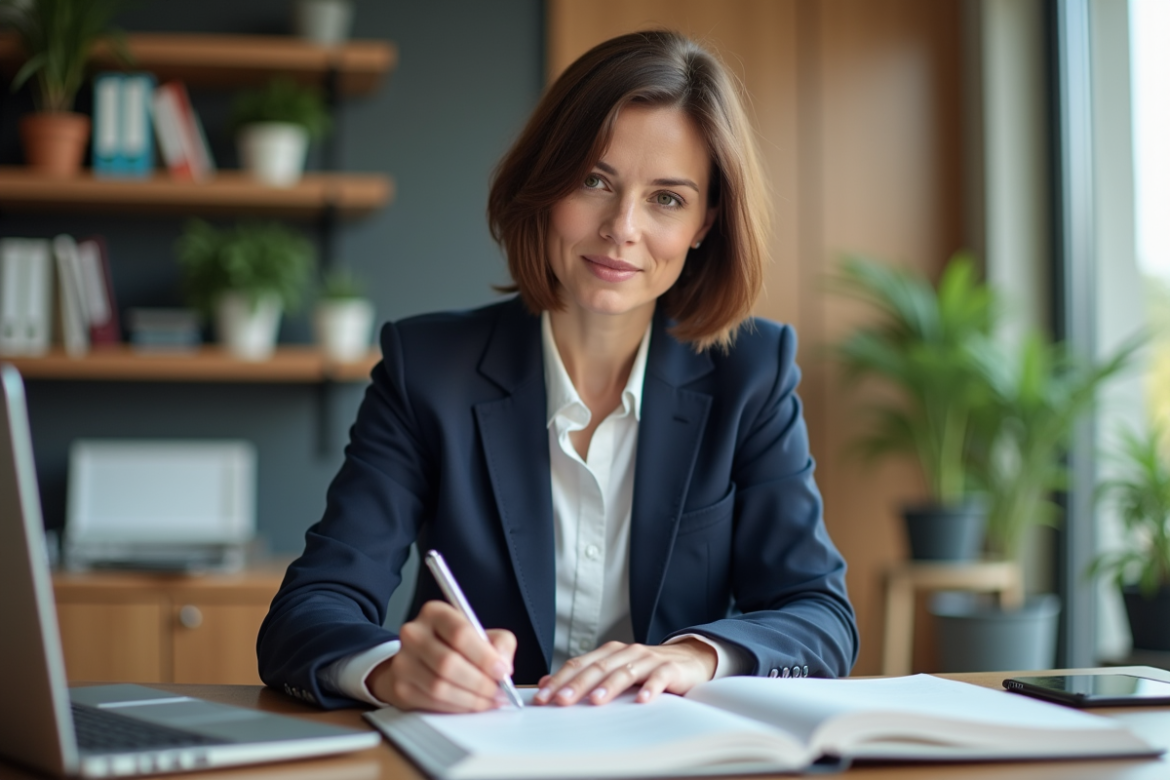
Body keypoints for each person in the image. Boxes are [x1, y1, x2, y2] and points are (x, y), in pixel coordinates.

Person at [258, 29, 858, 713]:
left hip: (669, 748)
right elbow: (307, 612)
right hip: (483, 747)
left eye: (667, 198)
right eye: (594, 181)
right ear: (545, 186)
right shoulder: (427, 369)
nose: (622, 227)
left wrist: (694, 656)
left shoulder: (749, 372)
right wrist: (391, 670)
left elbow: (821, 616)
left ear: (704, 224)